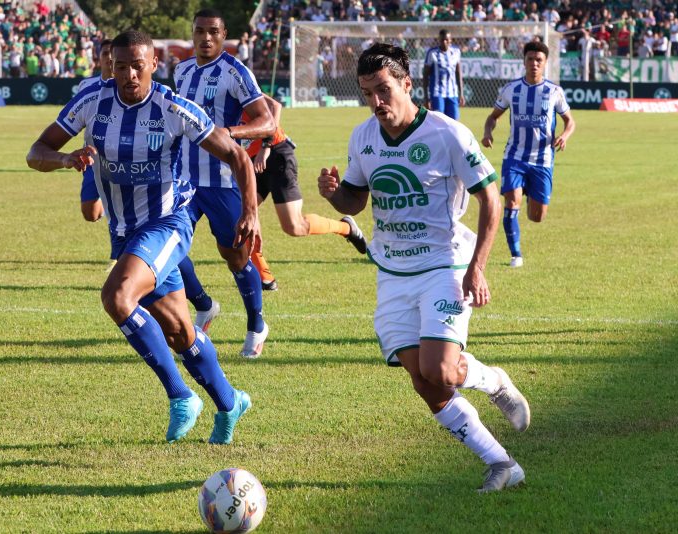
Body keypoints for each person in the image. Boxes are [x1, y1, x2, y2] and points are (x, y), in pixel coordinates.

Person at [318, 42, 530, 493]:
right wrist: (334, 195)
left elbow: (490, 201)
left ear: (407, 84)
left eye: (383, 90)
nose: (375, 102)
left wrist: (478, 267)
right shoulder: (363, 137)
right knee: (424, 380)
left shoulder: (447, 133)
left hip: (444, 264)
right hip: (392, 272)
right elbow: (357, 198)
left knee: (441, 368)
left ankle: (492, 381)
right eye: (366, 93)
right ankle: (501, 463)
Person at [26, 30, 255, 446]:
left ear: (153, 64)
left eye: (137, 65)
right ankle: (229, 400)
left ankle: (181, 396)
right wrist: (64, 158)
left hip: (168, 223)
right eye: (120, 66)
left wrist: (251, 213)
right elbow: (36, 151)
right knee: (179, 331)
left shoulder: (172, 107)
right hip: (124, 232)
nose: (129, 74)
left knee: (117, 297)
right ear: (109, 66)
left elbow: (238, 155)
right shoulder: (91, 102)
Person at [174, 9, 276, 358]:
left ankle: (256, 324)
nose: (205, 38)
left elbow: (266, 122)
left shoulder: (235, 71)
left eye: (213, 32)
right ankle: (203, 304)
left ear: (224, 34)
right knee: (166, 250)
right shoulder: (182, 70)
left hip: (222, 180)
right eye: (199, 31)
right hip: (183, 180)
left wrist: (229, 133)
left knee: (235, 257)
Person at [244, 93, 367, 289]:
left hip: (275, 154)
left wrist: (265, 146)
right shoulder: (197, 86)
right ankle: (264, 275)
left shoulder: (234, 77)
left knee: (294, 226)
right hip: (249, 161)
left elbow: (275, 106)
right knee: (242, 214)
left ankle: (346, 228)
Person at [482, 40, 575, 268]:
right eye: (530, 59)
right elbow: (493, 117)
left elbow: (570, 121)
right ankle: (516, 255)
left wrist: (564, 136)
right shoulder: (511, 89)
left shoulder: (554, 91)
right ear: (524, 61)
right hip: (514, 157)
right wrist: (487, 132)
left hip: (542, 160)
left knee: (537, 216)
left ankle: (525, 192)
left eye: (539, 60)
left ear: (545, 63)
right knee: (511, 203)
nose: (534, 63)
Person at [75, 39, 115, 270]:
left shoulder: (129, 86)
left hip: (121, 158)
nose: (110, 58)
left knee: (116, 208)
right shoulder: (86, 86)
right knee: (90, 214)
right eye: (106, 54)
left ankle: (116, 255)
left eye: (113, 54)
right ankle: (105, 206)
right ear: (98, 58)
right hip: (92, 159)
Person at [423, 29, 464, 120]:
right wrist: (426, 97)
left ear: (450, 40)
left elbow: (458, 73)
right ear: (439, 40)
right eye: (442, 40)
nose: (444, 42)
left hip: (452, 93)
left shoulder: (456, 52)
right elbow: (425, 75)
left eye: (446, 40)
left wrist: (461, 93)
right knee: (439, 121)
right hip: (437, 93)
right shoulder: (432, 53)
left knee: (454, 122)